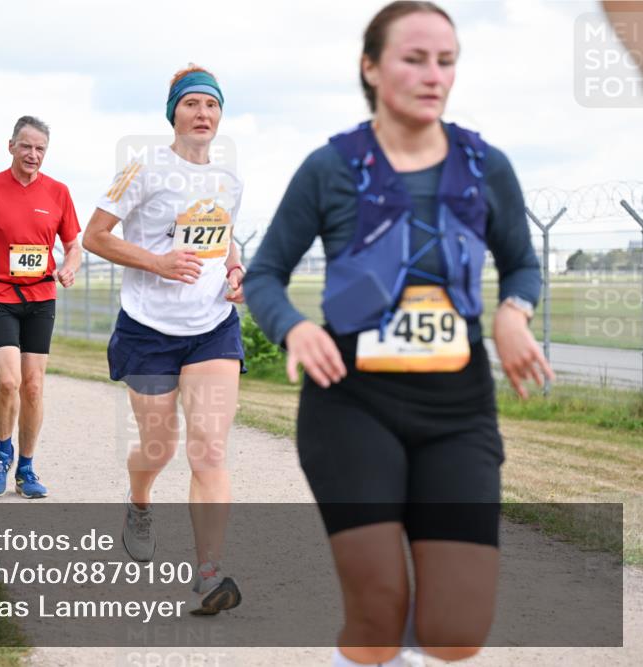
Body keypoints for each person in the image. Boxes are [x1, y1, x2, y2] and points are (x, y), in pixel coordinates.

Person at [243, 3, 555, 665]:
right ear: (371, 66)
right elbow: (266, 272)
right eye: (414, 58)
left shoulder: (484, 165)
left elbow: (523, 263)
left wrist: (513, 311)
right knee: (379, 608)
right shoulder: (330, 168)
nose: (434, 74)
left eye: (446, 60)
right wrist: (293, 327)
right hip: (351, 398)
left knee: (455, 629)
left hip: (459, 406)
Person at [82, 65, 246, 615]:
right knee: (159, 446)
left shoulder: (229, 180)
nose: (203, 114)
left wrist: (236, 274)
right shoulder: (141, 168)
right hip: (149, 329)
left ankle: (210, 572)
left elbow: (226, 244)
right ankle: (139, 501)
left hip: (212, 328)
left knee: (209, 448)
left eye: (211, 105)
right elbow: (94, 236)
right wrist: (155, 260)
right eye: (192, 104)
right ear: (173, 112)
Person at [0, 115, 81, 499]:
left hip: (41, 296)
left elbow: (74, 244)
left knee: (34, 387)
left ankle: (25, 468)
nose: (33, 154)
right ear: (10, 146)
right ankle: (0, 453)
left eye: (40, 149)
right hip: (0, 295)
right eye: (26, 146)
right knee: (8, 382)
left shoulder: (58, 192)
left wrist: (70, 268)